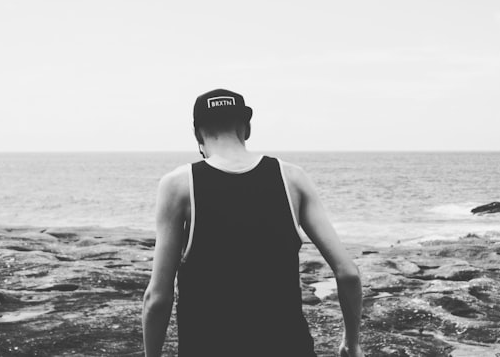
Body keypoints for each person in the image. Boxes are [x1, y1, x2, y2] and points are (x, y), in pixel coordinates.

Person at [142, 89, 363, 357]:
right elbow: (348, 273)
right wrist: (352, 343)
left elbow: (157, 297)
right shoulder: (291, 178)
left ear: (197, 134)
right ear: (246, 128)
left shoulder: (179, 185)